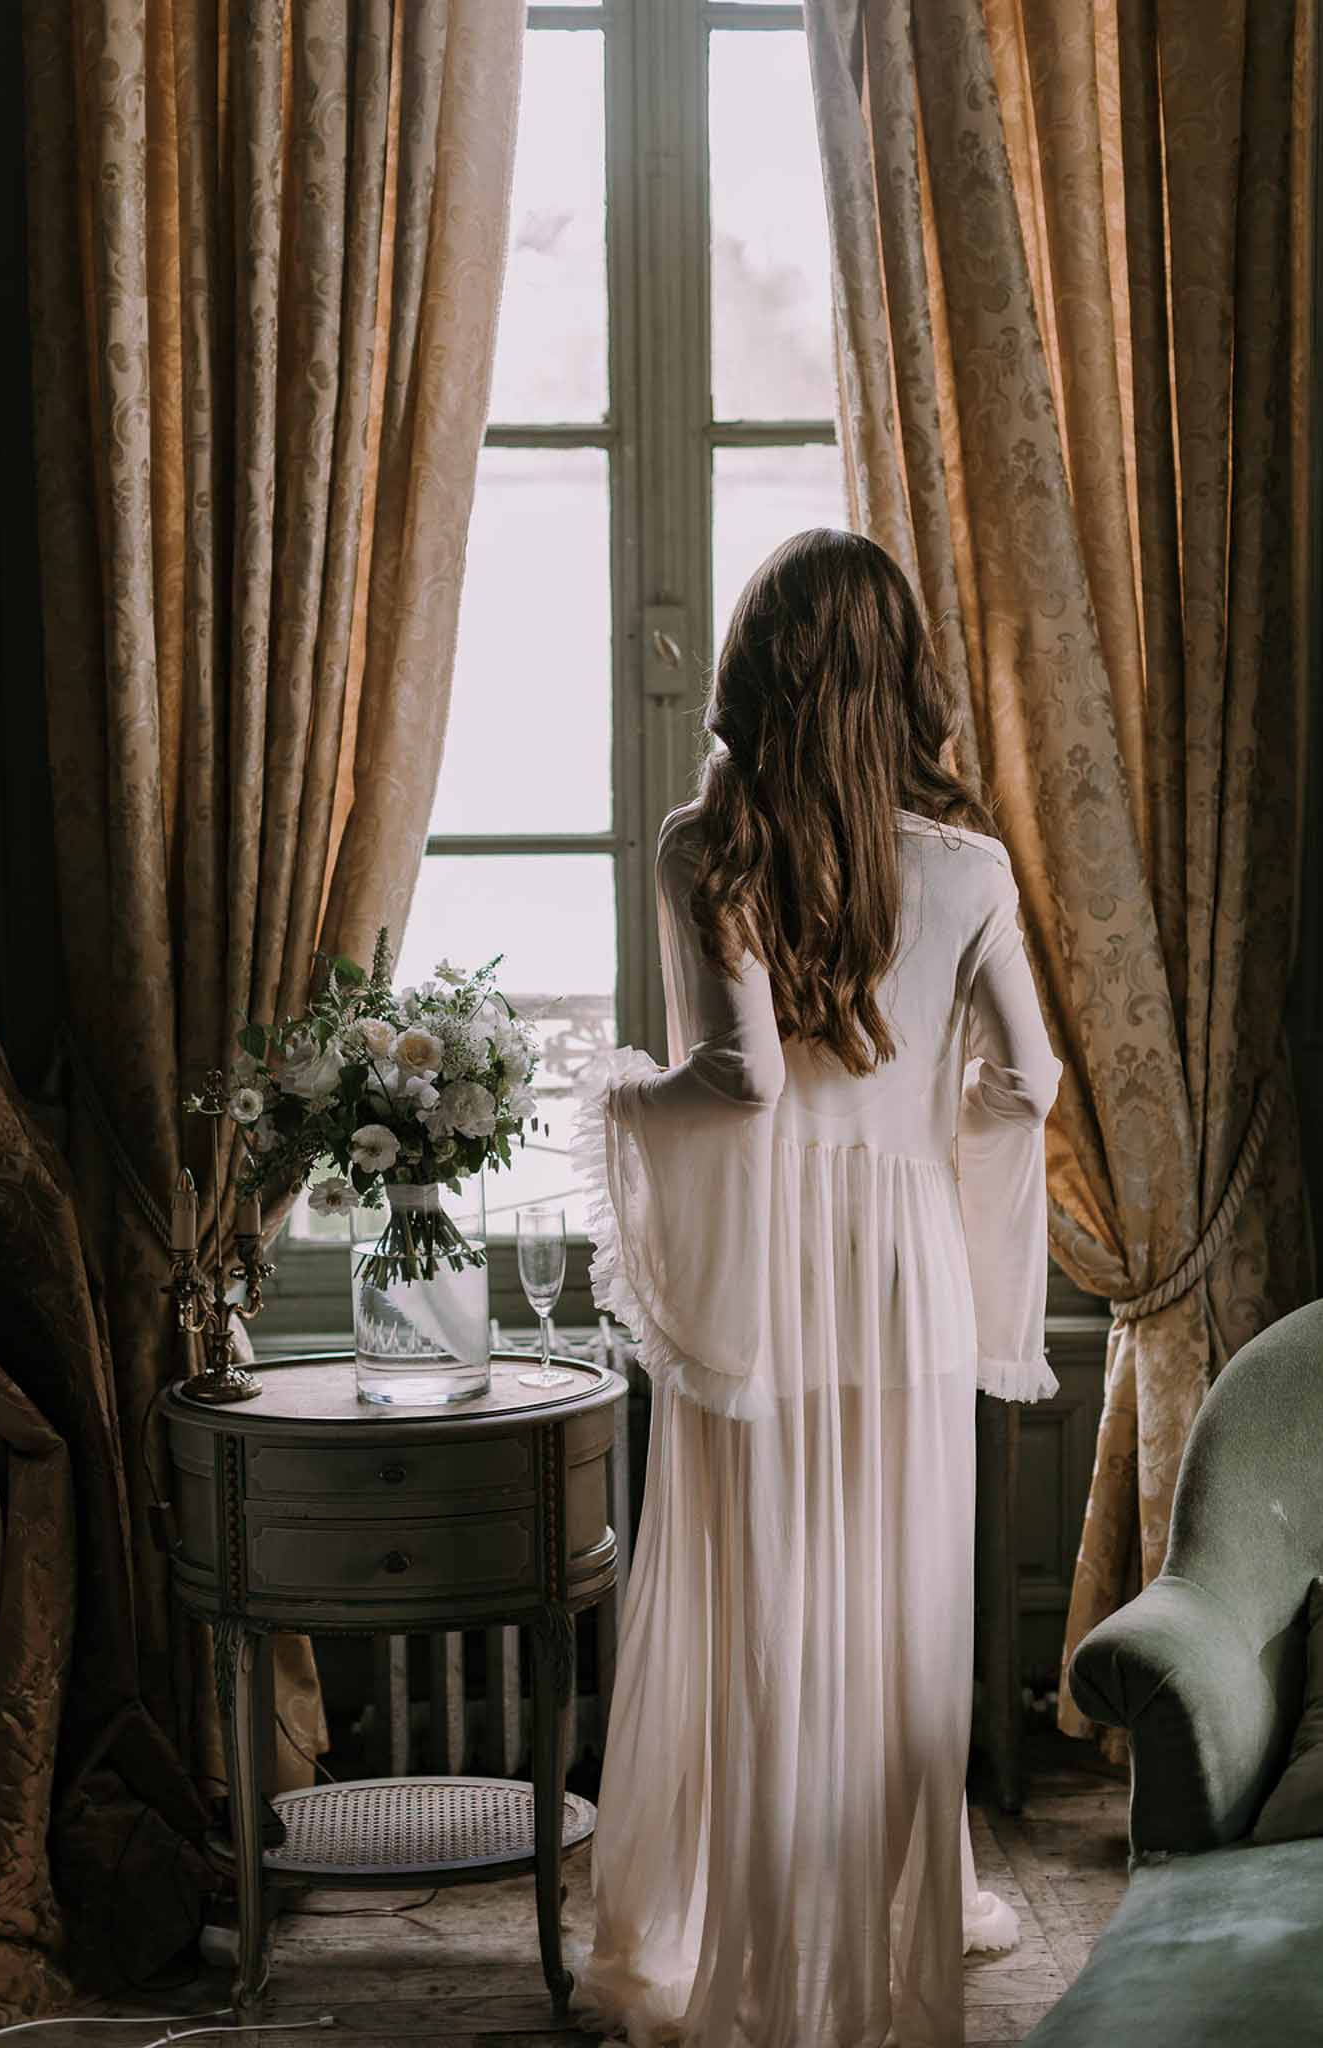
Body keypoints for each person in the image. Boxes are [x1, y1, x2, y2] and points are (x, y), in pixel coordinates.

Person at [572, 529, 1063, 2048]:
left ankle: (754, 1935)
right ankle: (885, 1919)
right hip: (903, 1266)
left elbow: (740, 1083)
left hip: (776, 1271)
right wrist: (930, 1156)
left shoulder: (702, 846)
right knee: (899, 1601)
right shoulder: (970, 867)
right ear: (900, 678)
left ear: (754, 671)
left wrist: (615, 1102)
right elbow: (1031, 1081)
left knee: (764, 1594)